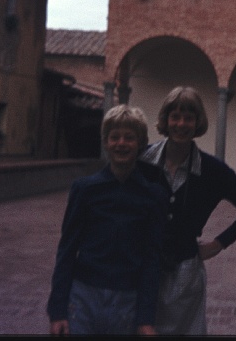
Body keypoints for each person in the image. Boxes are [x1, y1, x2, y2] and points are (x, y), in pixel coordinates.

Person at [138, 86, 236, 335]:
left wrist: (219, 244)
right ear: (165, 120)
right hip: (140, 267)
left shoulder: (211, 169)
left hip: (184, 273)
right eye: (175, 116)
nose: (181, 124)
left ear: (198, 122)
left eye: (189, 118)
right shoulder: (142, 161)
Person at [47, 105, 168, 336]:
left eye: (129, 138)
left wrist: (146, 318)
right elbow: (67, 250)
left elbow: (152, 259)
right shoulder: (85, 190)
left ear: (141, 143)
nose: (121, 143)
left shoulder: (153, 196)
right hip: (83, 298)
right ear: (105, 142)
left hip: (127, 300)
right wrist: (58, 311)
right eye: (114, 137)